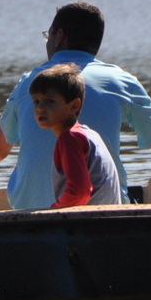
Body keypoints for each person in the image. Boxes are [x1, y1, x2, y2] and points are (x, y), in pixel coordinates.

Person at [0, 1, 151, 208]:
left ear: (59, 37)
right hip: (102, 214)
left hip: (30, 214)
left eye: (48, 35)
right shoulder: (121, 81)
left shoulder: (32, 82)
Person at [26, 64, 124, 208]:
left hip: (88, 224)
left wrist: (52, 212)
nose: (40, 108)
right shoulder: (89, 134)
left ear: (74, 106)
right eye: (36, 101)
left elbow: (80, 193)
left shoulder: (70, 138)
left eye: (50, 101)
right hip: (108, 220)